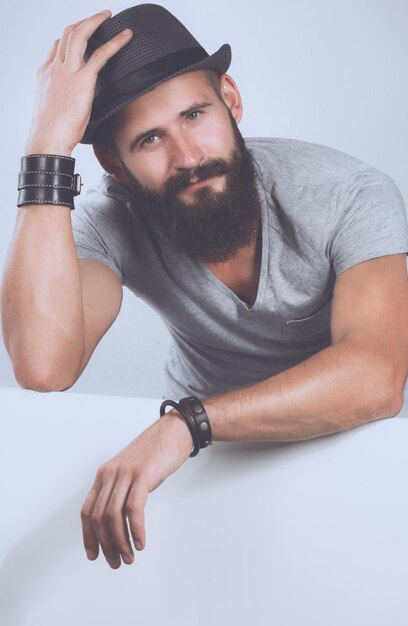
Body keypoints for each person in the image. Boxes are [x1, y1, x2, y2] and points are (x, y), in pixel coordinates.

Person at [1, 4, 408, 570]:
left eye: (195, 114)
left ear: (231, 99)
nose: (188, 157)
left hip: (340, 444)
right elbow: (43, 366)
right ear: (113, 163)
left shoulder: (349, 193)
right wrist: (45, 147)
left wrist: (186, 423)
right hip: (201, 469)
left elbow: (379, 376)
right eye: (148, 140)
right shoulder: (110, 218)